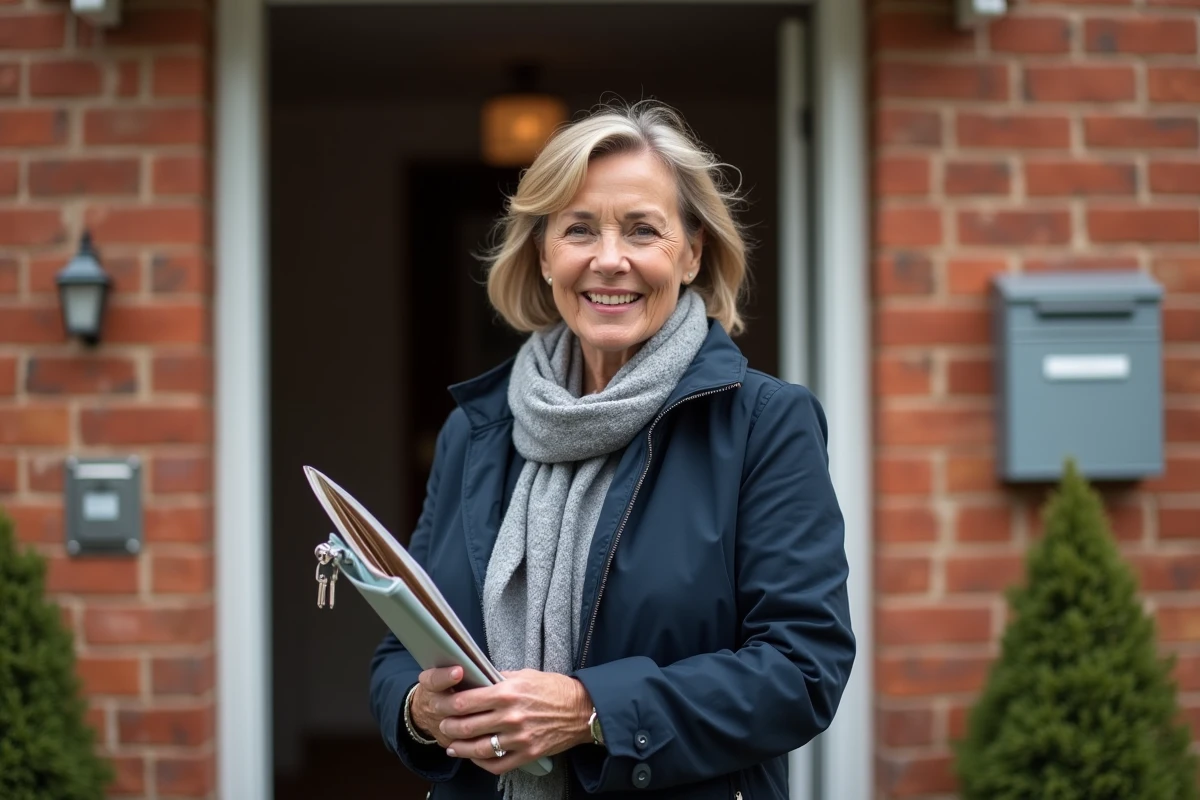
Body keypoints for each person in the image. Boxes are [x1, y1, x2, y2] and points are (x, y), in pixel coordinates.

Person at [368, 100, 855, 800]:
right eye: (578, 230)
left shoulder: (764, 425)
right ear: (544, 255)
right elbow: (401, 645)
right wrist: (420, 710)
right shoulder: (475, 431)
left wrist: (590, 710)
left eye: (642, 230)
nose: (608, 259)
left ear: (692, 253)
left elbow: (803, 670)